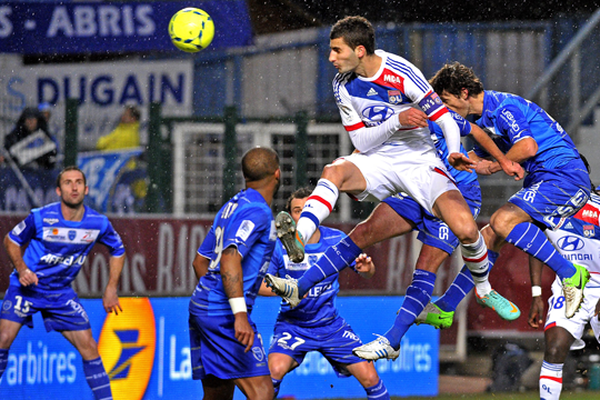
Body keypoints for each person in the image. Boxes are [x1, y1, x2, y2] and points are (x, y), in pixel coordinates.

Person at [266, 15, 516, 356]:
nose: (330, 58)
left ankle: (483, 289)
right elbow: (361, 141)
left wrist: (464, 153)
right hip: (382, 159)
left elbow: (448, 119)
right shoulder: (342, 85)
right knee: (334, 172)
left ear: (359, 49)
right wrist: (396, 121)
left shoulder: (402, 72)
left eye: (336, 50)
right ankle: (298, 240)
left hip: (422, 166)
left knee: (467, 233)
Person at [428, 61, 592, 319]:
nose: (446, 111)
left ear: (464, 92)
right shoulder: (483, 121)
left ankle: (571, 274)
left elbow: (527, 147)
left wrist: (495, 165)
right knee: (488, 236)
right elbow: (477, 158)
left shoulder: (503, 108)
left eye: (447, 102)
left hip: (565, 177)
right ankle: (446, 308)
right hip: (545, 180)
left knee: (501, 220)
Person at [0, 166, 125, 399]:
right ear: (58, 191)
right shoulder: (41, 217)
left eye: (78, 182)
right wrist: (22, 269)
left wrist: (111, 288)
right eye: (68, 183)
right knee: (3, 339)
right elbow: (11, 240)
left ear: (86, 189)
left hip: (59, 293)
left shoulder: (98, 223)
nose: (74, 187)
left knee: (89, 347)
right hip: (26, 288)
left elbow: (118, 249)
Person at [259, 188, 390, 399]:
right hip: (293, 326)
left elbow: (367, 271)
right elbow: (258, 285)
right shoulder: (278, 248)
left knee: (370, 378)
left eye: (307, 209)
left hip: (331, 326)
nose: (301, 216)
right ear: (289, 215)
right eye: (296, 210)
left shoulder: (336, 239)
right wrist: (285, 290)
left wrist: (368, 269)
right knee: (272, 373)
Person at [188, 146, 281, 400]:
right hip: (223, 314)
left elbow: (199, 262)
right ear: (277, 174)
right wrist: (237, 314)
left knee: (218, 394)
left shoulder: (231, 206)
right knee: (263, 393)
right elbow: (230, 259)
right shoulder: (257, 211)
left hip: (204, 306)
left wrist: (211, 300)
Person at [528, 186, 600, 400]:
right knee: (554, 347)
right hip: (570, 285)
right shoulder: (546, 205)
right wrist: (536, 294)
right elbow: (535, 244)